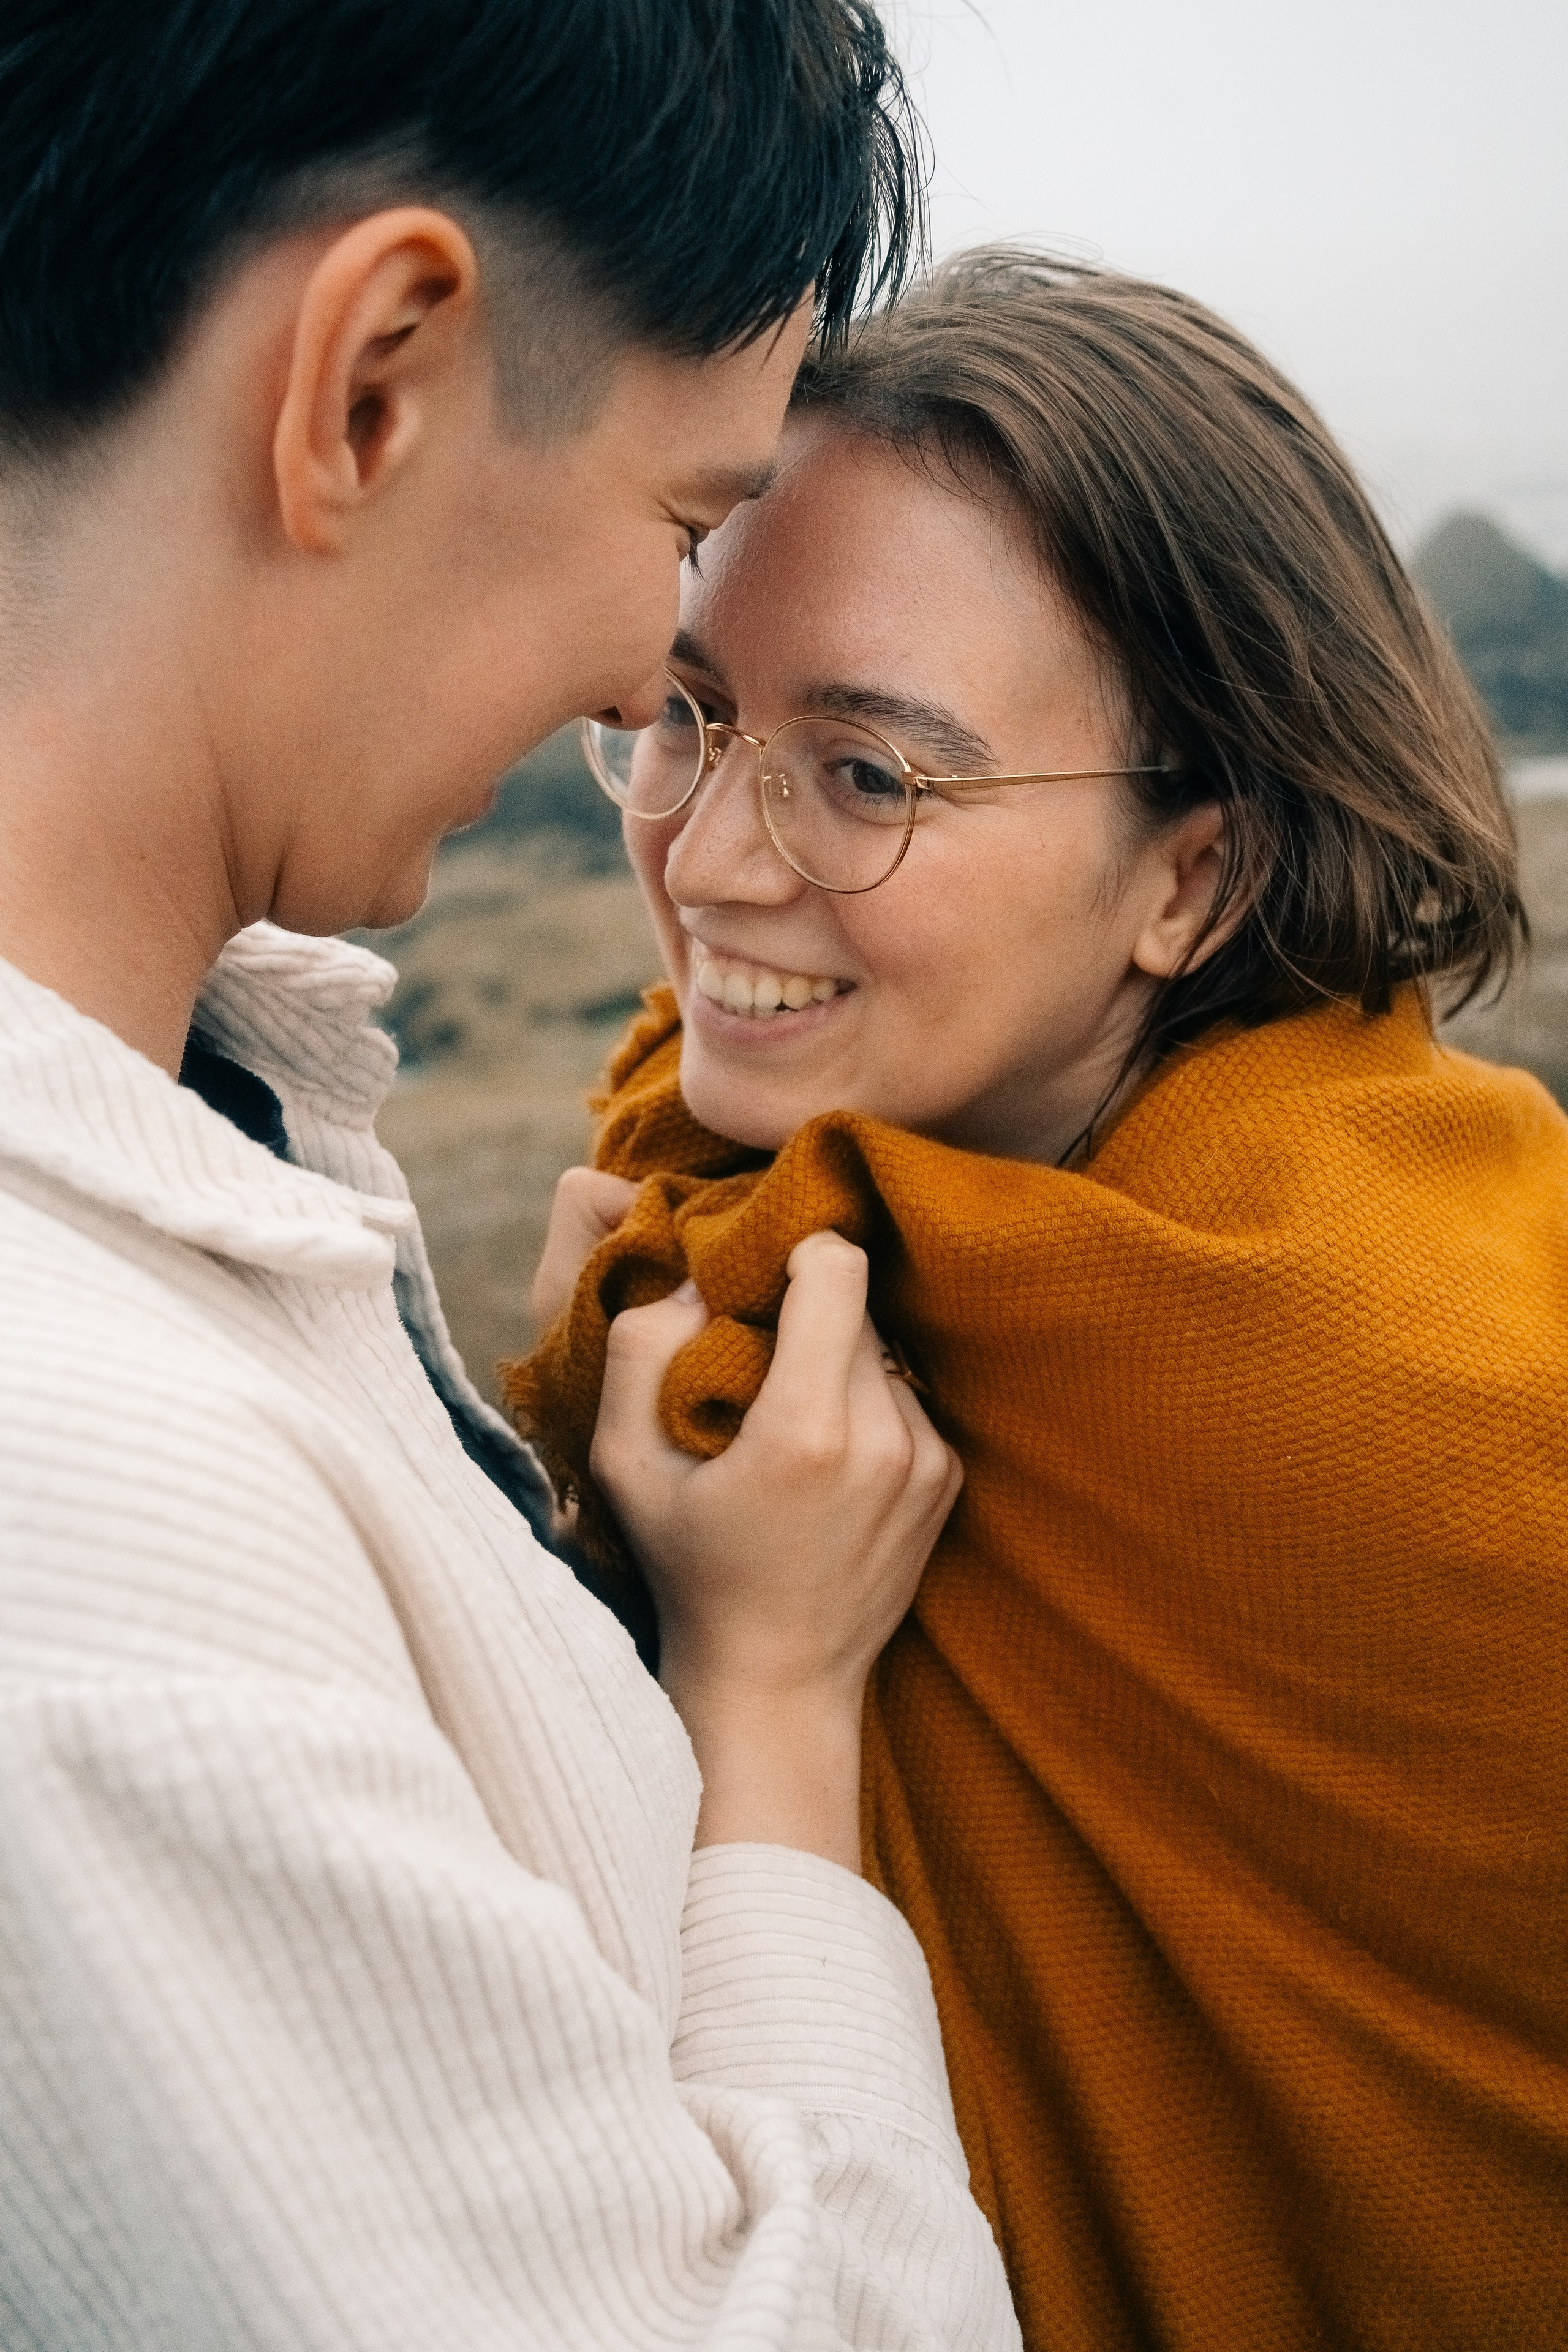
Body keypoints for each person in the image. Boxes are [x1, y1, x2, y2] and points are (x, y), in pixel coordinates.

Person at [0, 8, 1024, 2348]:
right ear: (373, 383)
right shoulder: (96, 1535)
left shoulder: (205, 1122)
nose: (645, 684)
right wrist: (773, 1696)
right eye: (681, 523)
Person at [509, 249, 1568, 2351]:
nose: (708, 864)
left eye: (870, 776)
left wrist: (750, 1656)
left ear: (1193, 876)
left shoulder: (1435, 1413)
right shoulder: (725, 1222)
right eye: (691, 718)